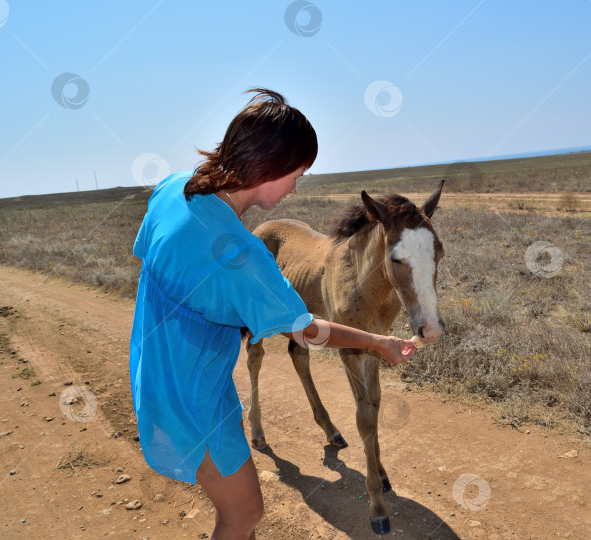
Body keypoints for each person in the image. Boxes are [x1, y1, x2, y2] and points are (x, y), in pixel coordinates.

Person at [129, 88, 417, 540]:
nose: (296, 187)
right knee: (243, 515)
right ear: (270, 166)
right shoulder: (244, 256)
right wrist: (377, 342)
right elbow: (309, 332)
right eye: (296, 174)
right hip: (195, 395)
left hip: (153, 367)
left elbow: (150, 259)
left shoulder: (172, 190)